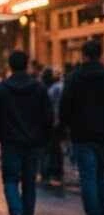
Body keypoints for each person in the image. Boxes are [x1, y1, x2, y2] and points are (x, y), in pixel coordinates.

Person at [0, 50, 53, 215]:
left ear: (10, 66)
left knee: (10, 180)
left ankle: (17, 214)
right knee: (29, 184)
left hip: (11, 142)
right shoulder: (39, 88)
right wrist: (45, 137)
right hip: (33, 142)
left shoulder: (1, 89)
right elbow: (48, 116)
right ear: (27, 64)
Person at [59, 38, 104, 215]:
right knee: (102, 177)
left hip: (82, 134)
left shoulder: (75, 77)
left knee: (88, 178)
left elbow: (65, 106)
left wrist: (65, 127)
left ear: (83, 55)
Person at [40, 67, 65, 195]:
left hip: (49, 123)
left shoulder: (50, 90)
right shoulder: (59, 87)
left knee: (47, 149)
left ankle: (47, 174)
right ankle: (57, 173)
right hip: (57, 123)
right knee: (56, 149)